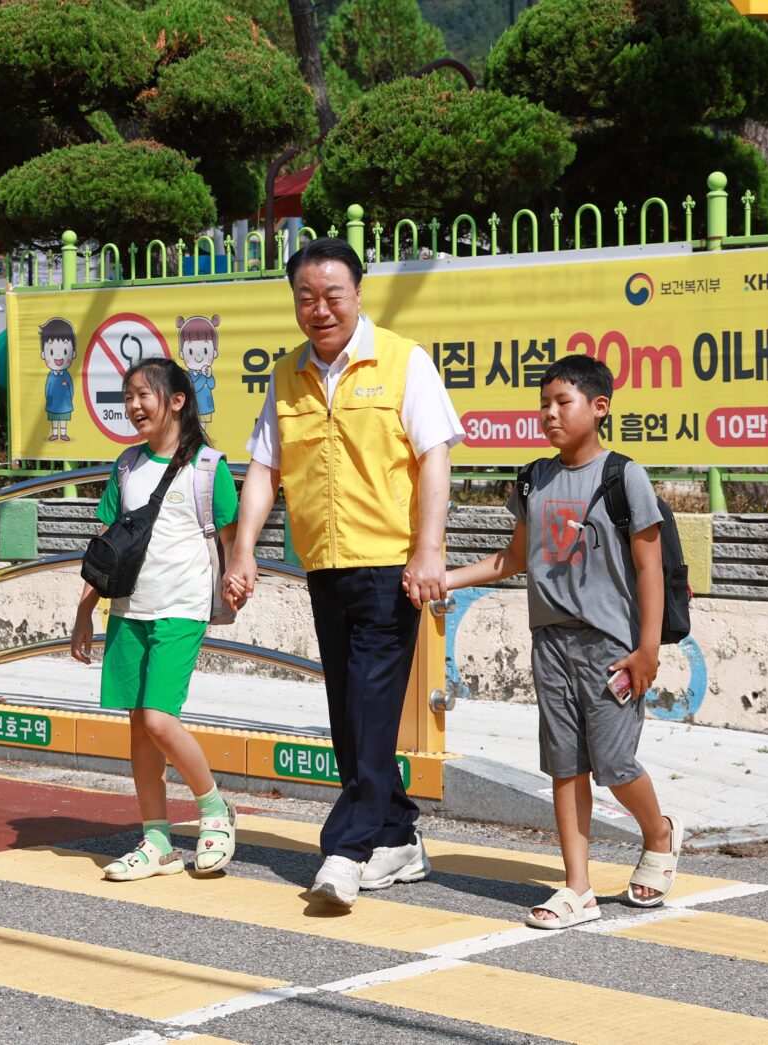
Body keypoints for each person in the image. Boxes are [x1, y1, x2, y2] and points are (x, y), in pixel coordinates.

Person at [224, 238, 463, 908]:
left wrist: (429, 548)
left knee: (369, 706)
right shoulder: (287, 375)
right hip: (325, 566)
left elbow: (435, 457)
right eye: (306, 297)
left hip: (389, 566)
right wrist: (243, 550)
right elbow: (265, 469)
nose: (320, 308)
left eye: (332, 294)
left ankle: (348, 848)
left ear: (359, 294)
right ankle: (398, 832)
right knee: (350, 713)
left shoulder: (404, 361)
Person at [444, 354, 682, 929]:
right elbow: (514, 558)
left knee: (615, 763)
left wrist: (648, 650)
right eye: (543, 404)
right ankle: (578, 888)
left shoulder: (623, 477)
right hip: (549, 641)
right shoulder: (533, 478)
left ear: (599, 408)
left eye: (562, 402)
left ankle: (659, 833)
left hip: (612, 648)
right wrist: (443, 579)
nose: (549, 414)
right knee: (565, 764)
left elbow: (649, 568)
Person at [71, 358, 241, 880]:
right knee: (139, 730)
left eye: (143, 395)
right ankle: (157, 841)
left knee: (158, 720)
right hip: (128, 610)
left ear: (177, 401)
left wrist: (238, 580)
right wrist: (85, 610)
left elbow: (233, 543)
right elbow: (105, 546)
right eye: (128, 397)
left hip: (181, 609)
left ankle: (215, 809)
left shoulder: (208, 468)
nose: (133, 406)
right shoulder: (126, 466)